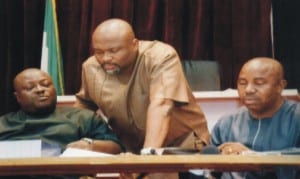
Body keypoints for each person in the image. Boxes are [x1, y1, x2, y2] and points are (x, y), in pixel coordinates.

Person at [74, 18, 210, 154]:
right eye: (99, 52)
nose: (105, 58)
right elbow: (83, 107)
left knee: (158, 175)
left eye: (113, 51)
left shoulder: (160, 57)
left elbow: (162, 105)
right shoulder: (91, 67)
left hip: (181, 144)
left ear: (135, 44)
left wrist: (145, 158)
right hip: (132, 148)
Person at [210, 57, 300, 179]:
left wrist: (252, 156)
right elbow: (209, 168)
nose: (248, 90)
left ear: (280, 86)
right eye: (242, 83)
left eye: (259, 83)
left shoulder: (296, 117)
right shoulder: (227, 123)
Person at [0, 68, 124, 155]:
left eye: (45, 84)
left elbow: (117, 148)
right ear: (18, 97)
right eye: (30, 87)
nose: (40, 90)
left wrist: (90, 145)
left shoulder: (82, 117)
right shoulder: (3, 124)